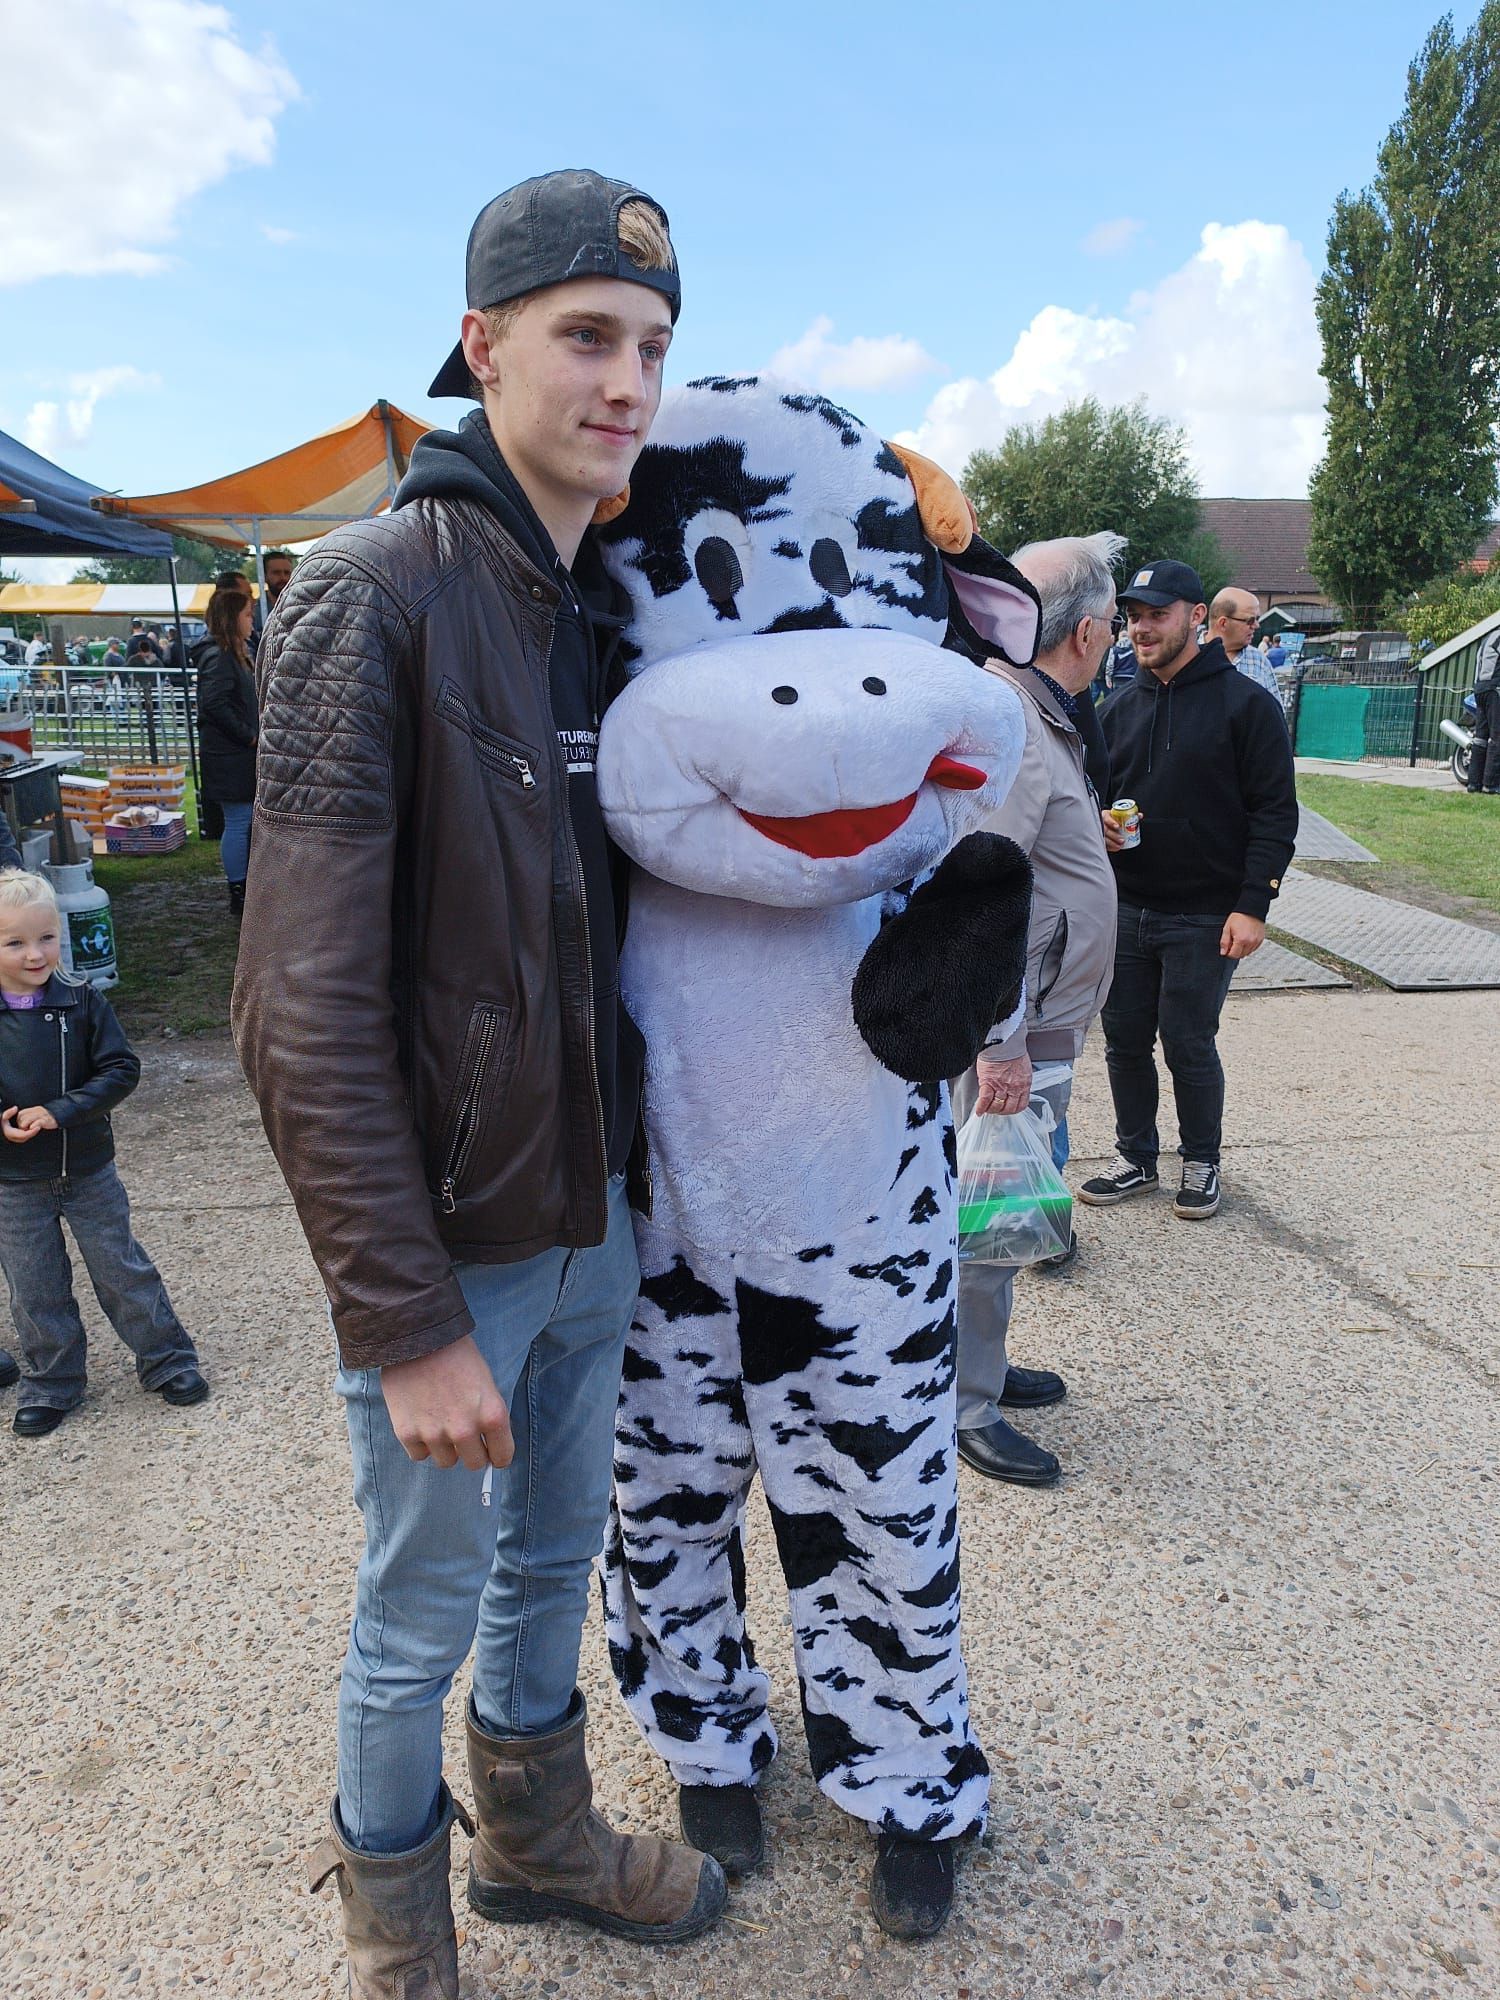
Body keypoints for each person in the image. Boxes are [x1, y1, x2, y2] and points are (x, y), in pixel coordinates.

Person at [232, 169, 724, 1999]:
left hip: (591, 1214)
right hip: (454, 1254)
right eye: (587, 337)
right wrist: (404, 1315)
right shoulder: (374, 593)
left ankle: (538, 1836)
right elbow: (295, 1005)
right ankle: (397, 1938)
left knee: (553, 1560)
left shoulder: (589, 602)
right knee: (414, 1615)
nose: (628, 383)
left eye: (654, 345)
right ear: (482, 345)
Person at [953, 533, 1122, 1488]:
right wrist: (1002, 1042)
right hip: (1016, 1028)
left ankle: (983, 1363)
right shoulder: (1016, 717)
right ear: (1087, 632)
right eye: (1113, 623)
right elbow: (985, 886)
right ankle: (966, 1405)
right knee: (989, 1213)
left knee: (1006, 1205)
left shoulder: (1033, 708)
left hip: (1035, 1015)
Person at [1081, 559, 1297, 1220]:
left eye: (1158, 614)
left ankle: (1202, 1159)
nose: (1142, 629)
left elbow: (1275, 814)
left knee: (1188, 1043)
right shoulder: (1117, 708)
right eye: (1134, 617)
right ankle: (1135, 1157)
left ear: (1197, 617)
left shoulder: (1248, 705)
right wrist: (1098, 825)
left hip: (1206, 914)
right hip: (1126, 907)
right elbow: (1089, 796)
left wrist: (1253, 905)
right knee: (1123, 1042)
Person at [0, 870, 207, 1437]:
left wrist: (62, 1110)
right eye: (15, 942)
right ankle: (52, 1382)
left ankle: (167, 1359)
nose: (35, 954)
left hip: (87, 1169)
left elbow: (121, 1069)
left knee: (121, 1269)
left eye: (46, 937)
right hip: (13, 1181)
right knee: (34, 1286)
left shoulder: (83, 1000)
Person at [194, 584, 258, 915]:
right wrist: (248, 736)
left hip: (235, 755)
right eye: (247, 615)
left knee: (243, 820)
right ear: (233, 618)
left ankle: (245, 885)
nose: (252, 621)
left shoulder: (235, 654)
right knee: (238, 820)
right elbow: (215, 704)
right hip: (229, 756)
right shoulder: (219, 657)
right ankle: (238, 889)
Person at [1208, 588, 1282, 703]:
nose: (1257, 626)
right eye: (1250, 621)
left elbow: (1276, 710)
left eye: (1257, 619)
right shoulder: (1189, 655)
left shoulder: (1259, 661)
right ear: (1223, 623)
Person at [1465, 622, 1500, 795]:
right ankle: (1490, 784)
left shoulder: (1488, 638)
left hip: (1479, 690)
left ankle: (1474, 783)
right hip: (1495, 689)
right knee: (1497, 736)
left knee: (1480, 737)